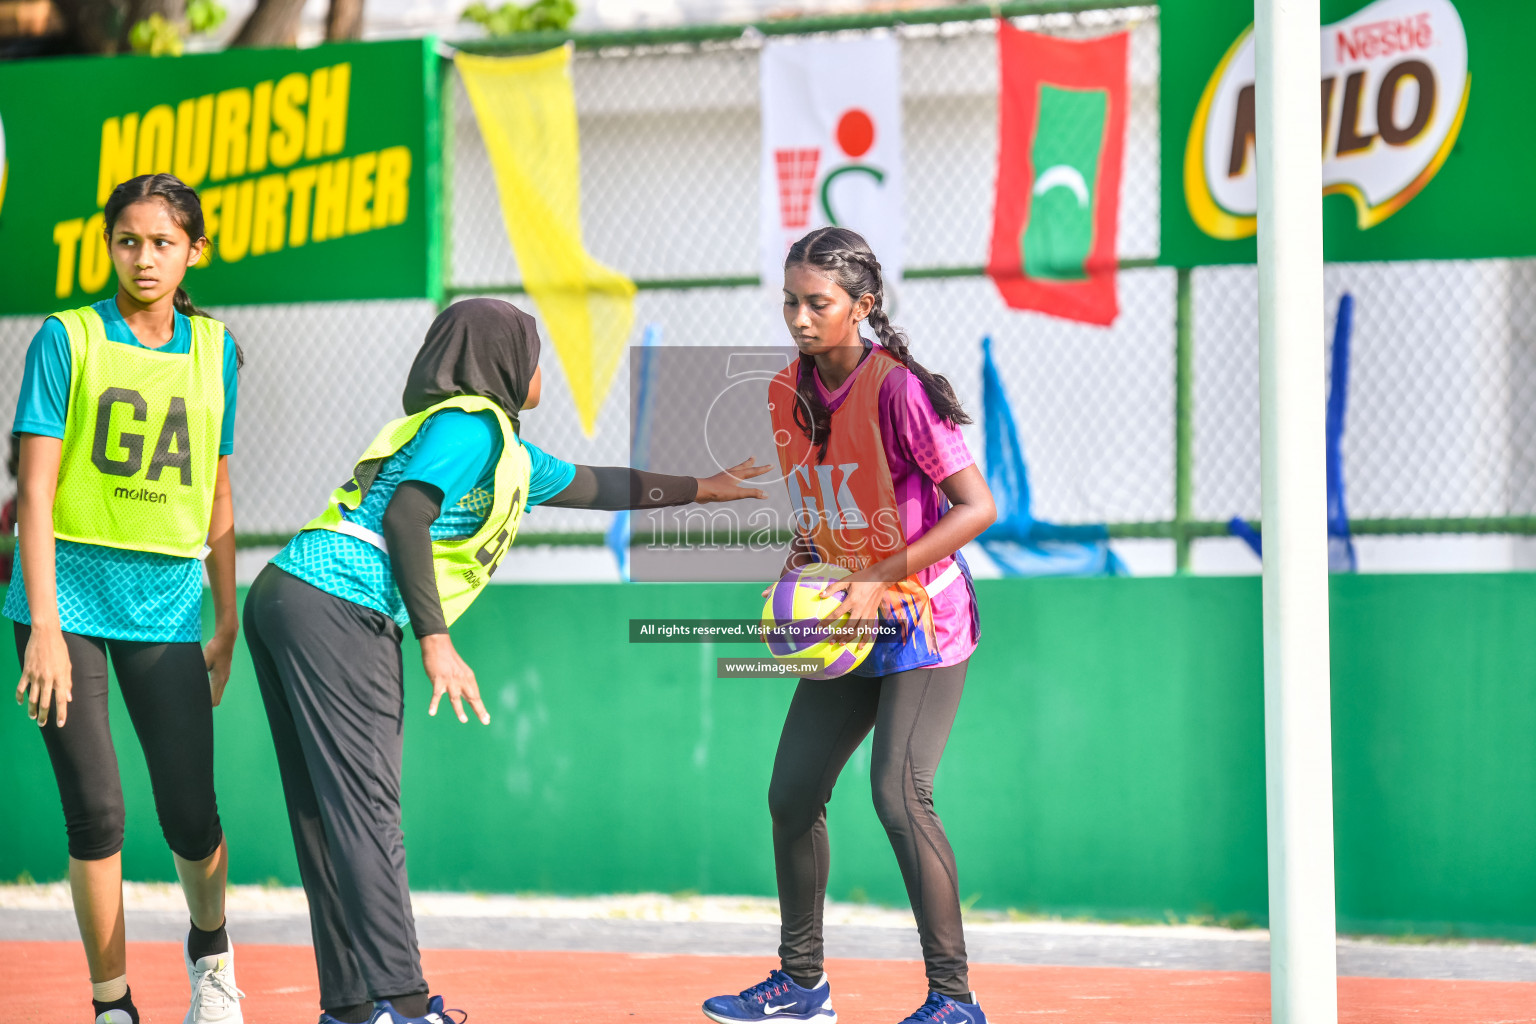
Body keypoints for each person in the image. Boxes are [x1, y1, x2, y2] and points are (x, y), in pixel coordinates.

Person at [243, 297, 771, 1024]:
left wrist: (702, 488)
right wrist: (434, 638)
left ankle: (353, 1007)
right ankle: (403, 1004)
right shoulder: (470, 426)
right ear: (503, 362)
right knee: (366, 811)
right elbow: (406, 515)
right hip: (339, 601)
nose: (541, 368)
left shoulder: (499, 449)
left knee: (326, 815)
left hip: (288, 594)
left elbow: (597, 484)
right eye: (535, 353)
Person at [701, 227, 997, 1024]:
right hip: (847, 618)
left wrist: (877, 576)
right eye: (791, 301)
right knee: (792, 794)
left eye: (818, 303)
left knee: (901, 796)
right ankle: (802, 988)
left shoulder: (898, 389)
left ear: (863, 307)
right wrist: (800, 578)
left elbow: (978, 508)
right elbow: (816, 509)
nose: (799, 317)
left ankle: (955, 1001)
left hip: (921, 620)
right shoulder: (782, 392)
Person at [10, 173, 245, 1024]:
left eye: (162, 242)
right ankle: (112, 1005)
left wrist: (226, 616)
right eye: (127, 241)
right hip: (65, 602)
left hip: (171, 607)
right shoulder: (65, 340)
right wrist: (41, 624)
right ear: (108, 245)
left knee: (191, 810)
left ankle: (212, 960)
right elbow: (34, 494)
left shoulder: (216, 350)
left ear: (193, 252)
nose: (144, 259)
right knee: (97, 812)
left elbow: (218, 498)